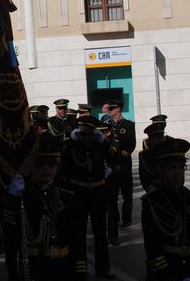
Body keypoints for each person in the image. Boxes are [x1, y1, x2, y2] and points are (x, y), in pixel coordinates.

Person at [4, 139, 82, 281]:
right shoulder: (21, 197)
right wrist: (13, 275)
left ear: (57, 167)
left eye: (51, 163)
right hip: (34, 269)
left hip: (63, 268)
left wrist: (80, 274)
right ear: (30, 167)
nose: (46, 169)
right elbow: (10, 242)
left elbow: (77, 241)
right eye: (39, 164)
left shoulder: (68, 197)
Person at [141, 138, 190, 281]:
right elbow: (151, 244)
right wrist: (165, 274)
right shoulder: (152, 201)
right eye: (171, 168)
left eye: (180, 167)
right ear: (161, 170)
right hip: (165, 269)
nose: (177, 172)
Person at [61, 115, 114, 279]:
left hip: (98, 193)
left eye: (90, 134)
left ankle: (103, 268)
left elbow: (114, 157)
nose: (86, 137)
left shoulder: (100, 144)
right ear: (79, 132)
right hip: (78, 194)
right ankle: (80, 268)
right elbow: (63, 169)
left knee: (100, 233)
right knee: (78, 232)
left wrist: (103, 141)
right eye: (83, 134)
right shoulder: (70, 145)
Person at [108, 99, 136, 228]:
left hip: (124, 164)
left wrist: (120, 155)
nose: (110, 110)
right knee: (112, 196)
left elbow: (131, 144)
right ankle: (115, 218)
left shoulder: (128, 125)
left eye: (112, 108)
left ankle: (127, 218)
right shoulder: (108, 125)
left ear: (118, 109)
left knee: (127, 194)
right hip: (112, 165)